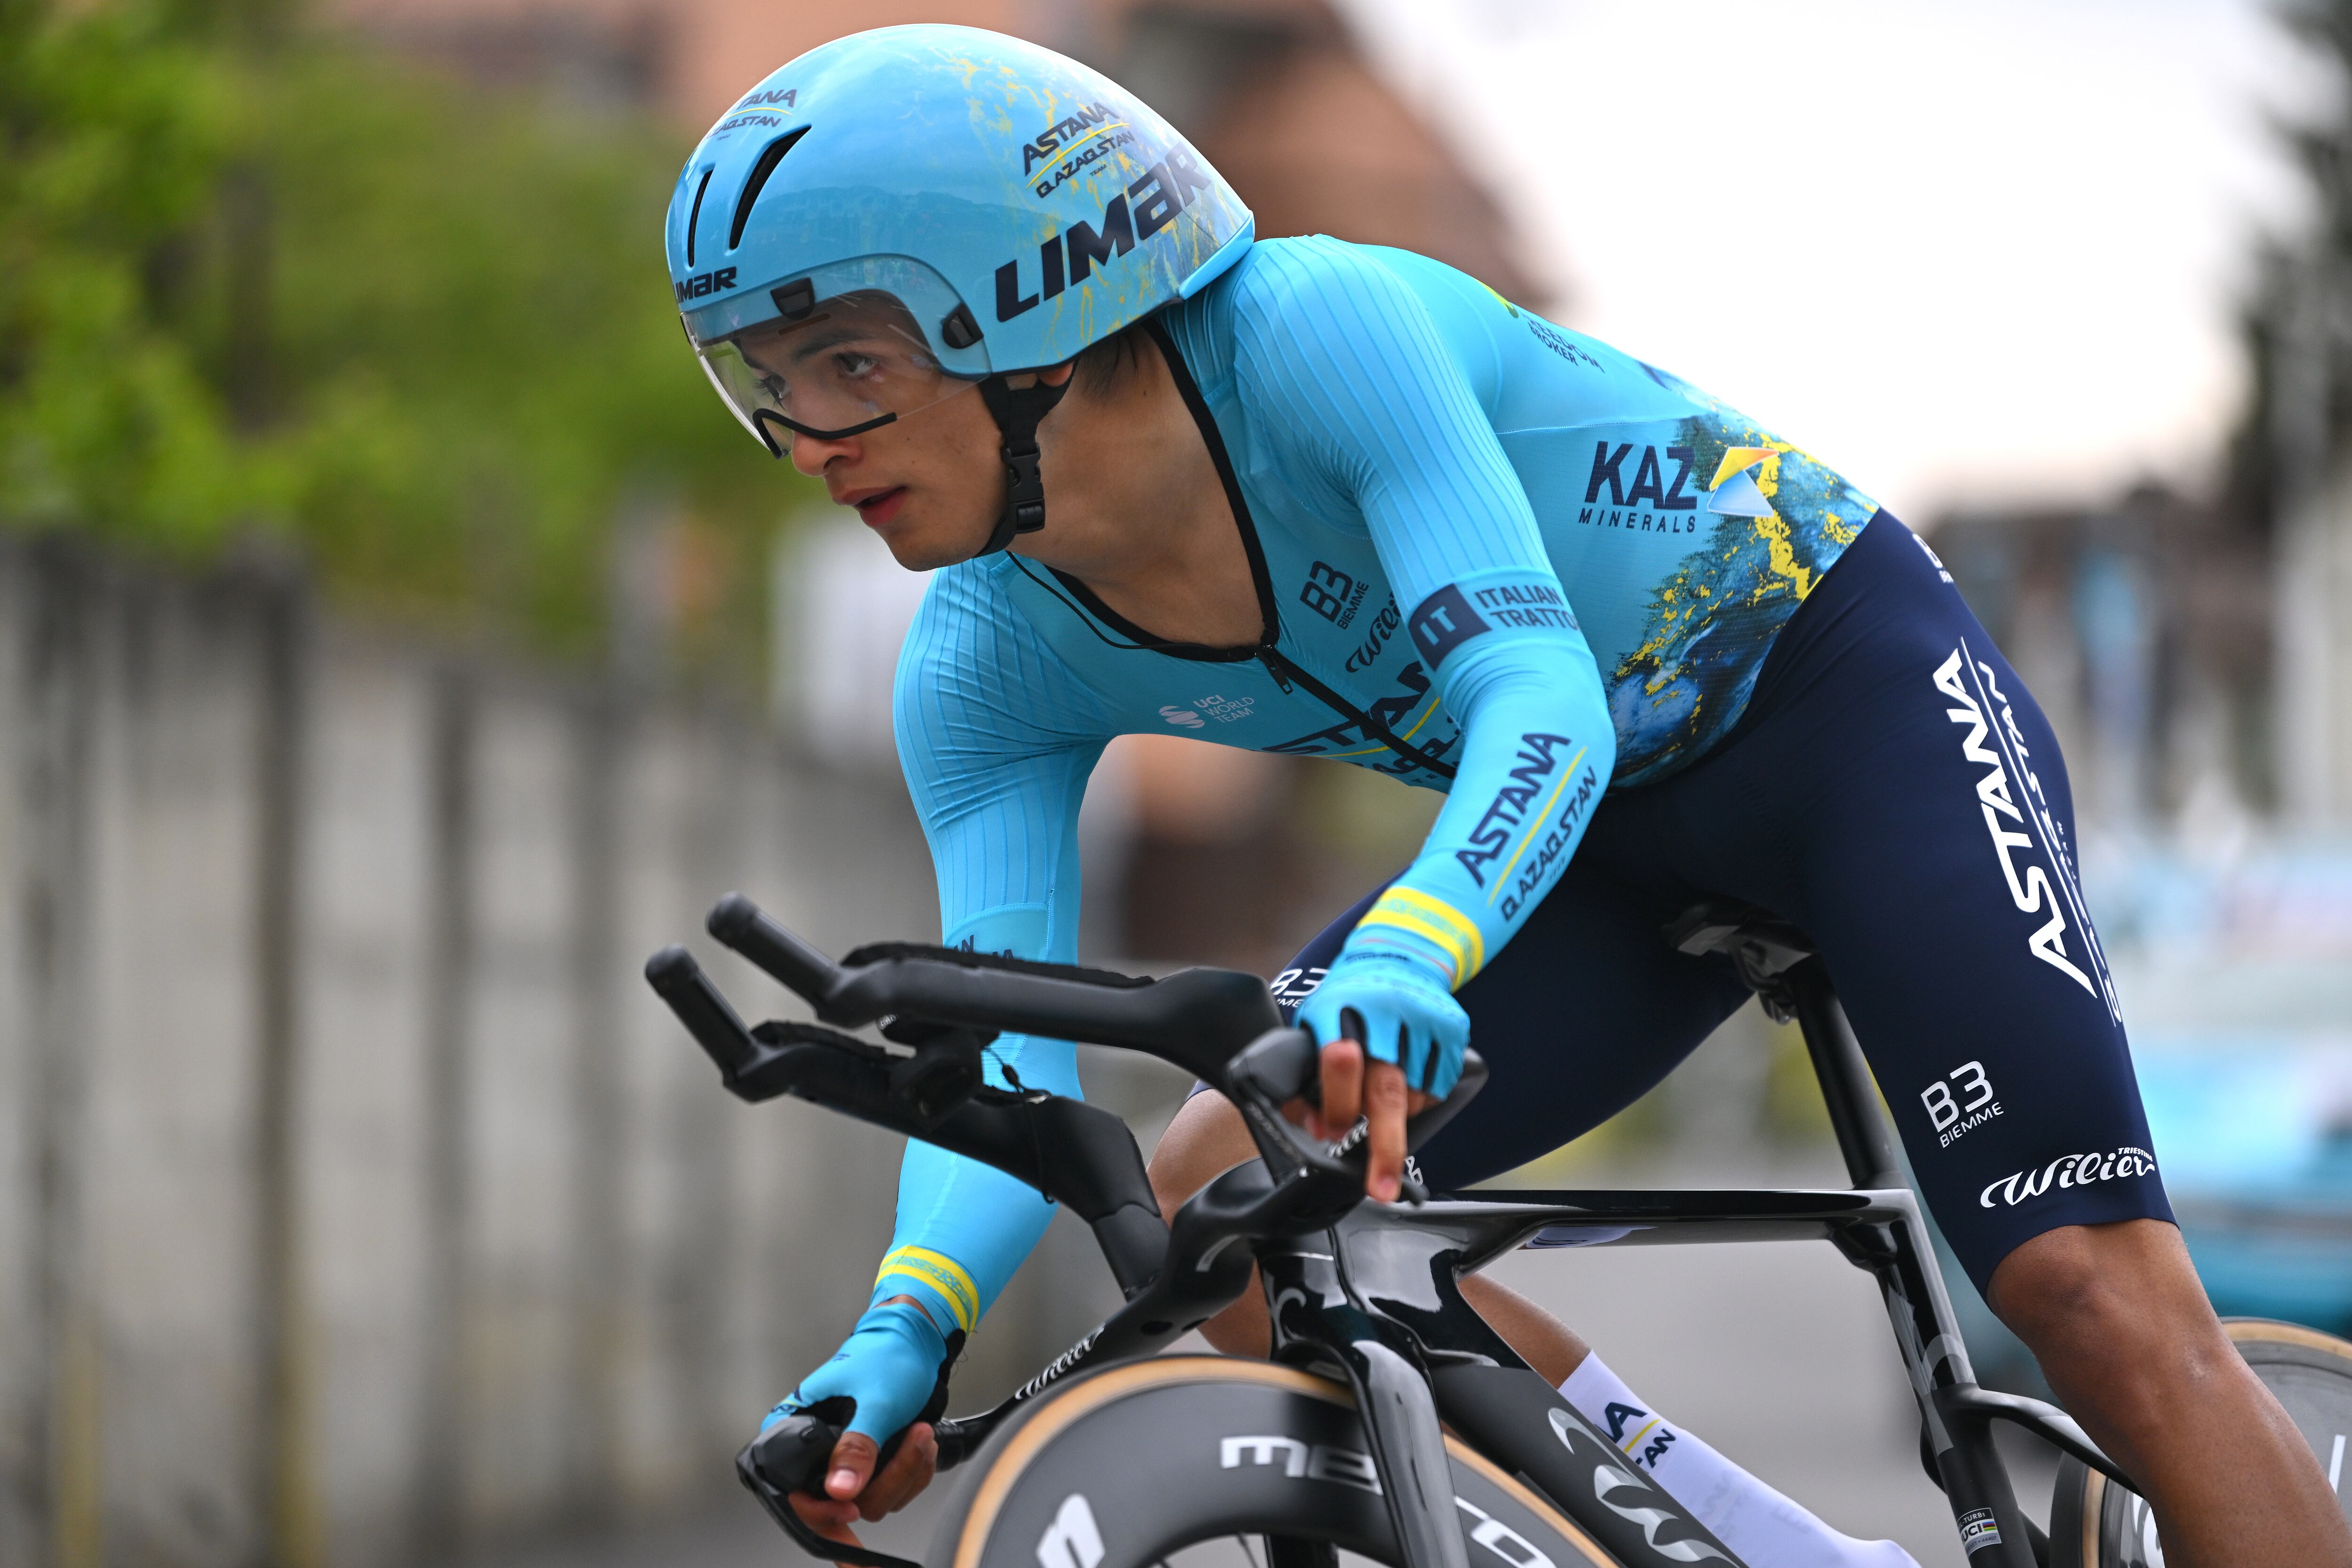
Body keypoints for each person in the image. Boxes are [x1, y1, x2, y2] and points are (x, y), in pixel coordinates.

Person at [665, 25, 2352, 1568]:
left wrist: (1411, 950)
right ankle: (1784, 1557)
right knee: (1234, 1215)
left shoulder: (1317, 333)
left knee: (2089, 1294)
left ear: (1027, 295)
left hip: (1845, 704)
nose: (806, 436)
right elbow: (1009, 1062)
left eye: (847, 362)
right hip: (1606, 843)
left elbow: (1537, 699)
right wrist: (905, 1332)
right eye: (763, 383)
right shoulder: (976, 663)